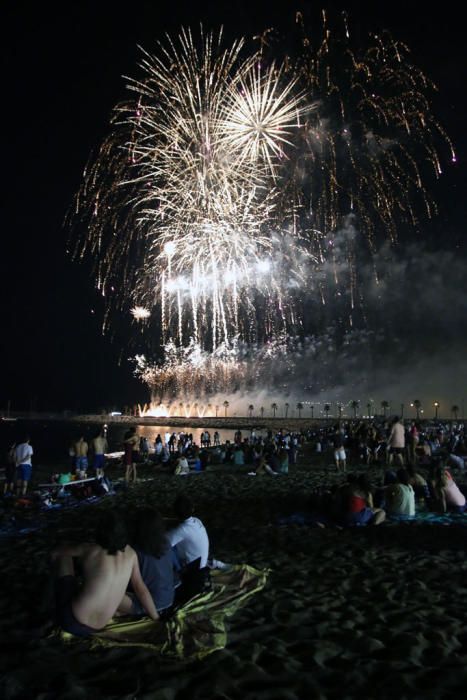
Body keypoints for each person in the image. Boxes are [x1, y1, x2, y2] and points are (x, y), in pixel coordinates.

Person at [52, 510, 159, 637]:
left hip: (70, 620)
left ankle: (48, 601)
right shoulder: (132, 554)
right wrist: (156, 618)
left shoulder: (90, 549)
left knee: (63, 556)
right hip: (97, 627)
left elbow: (56, 552)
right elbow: (141, 590)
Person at [117, 508, 174, 618]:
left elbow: (139, 588)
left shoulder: (134, 552)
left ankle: (129, 612)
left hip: (151, 604)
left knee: (106, 595)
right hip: (169, 598)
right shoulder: (166, 543)